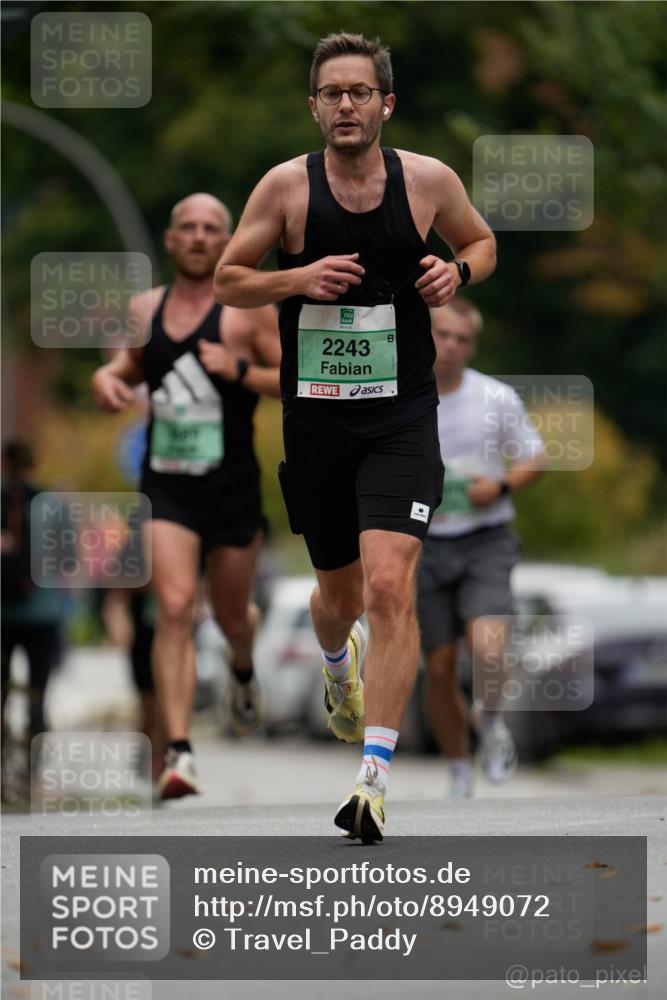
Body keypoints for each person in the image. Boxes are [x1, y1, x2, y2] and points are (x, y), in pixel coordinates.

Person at [214, 33, 496, 841]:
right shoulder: (286, 188)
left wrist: (457, 271)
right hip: (317, 423)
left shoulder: (428, 181)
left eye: (359, 92)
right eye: (332, 93)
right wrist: (297, 278)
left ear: (385, 104)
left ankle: (372, 779)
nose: (346, 105)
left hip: (400, 418)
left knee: (388, 587)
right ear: (313, 107)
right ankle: (338, 666)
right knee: (338, 602)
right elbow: (230, 278)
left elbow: (480, 243)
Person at [91, 193, 281, 800]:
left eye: (211, 228)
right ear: (171, 240)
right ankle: (179, 751)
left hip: (232, 487)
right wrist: (106, 378)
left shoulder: (248, 312)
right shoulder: (145, 309)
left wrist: (239, 371)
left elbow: (297, 379)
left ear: (228, 241)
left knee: (230, 616)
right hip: (166, 486)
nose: (199, 236)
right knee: (173, 607)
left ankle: (242, 665)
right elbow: (128, 367)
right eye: (188, 228)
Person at [417, 299, 546, 797]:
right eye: (443, 334)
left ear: (473, 345)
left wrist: (501, 486)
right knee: (440, 667)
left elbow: (535, 458)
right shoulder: (402, 393)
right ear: (425, 334)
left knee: (489, 649)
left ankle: (490, 723)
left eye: (462, 339)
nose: (451, 346)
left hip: (485, 540)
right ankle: (457, 767)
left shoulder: (495, 396)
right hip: (422, 544)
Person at [1, 440, 63, 799]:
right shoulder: (51, 504)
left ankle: (2, 775)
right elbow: (69, 558)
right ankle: (32, 776)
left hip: (3, 615)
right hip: (43, 613)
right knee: (38, 694)